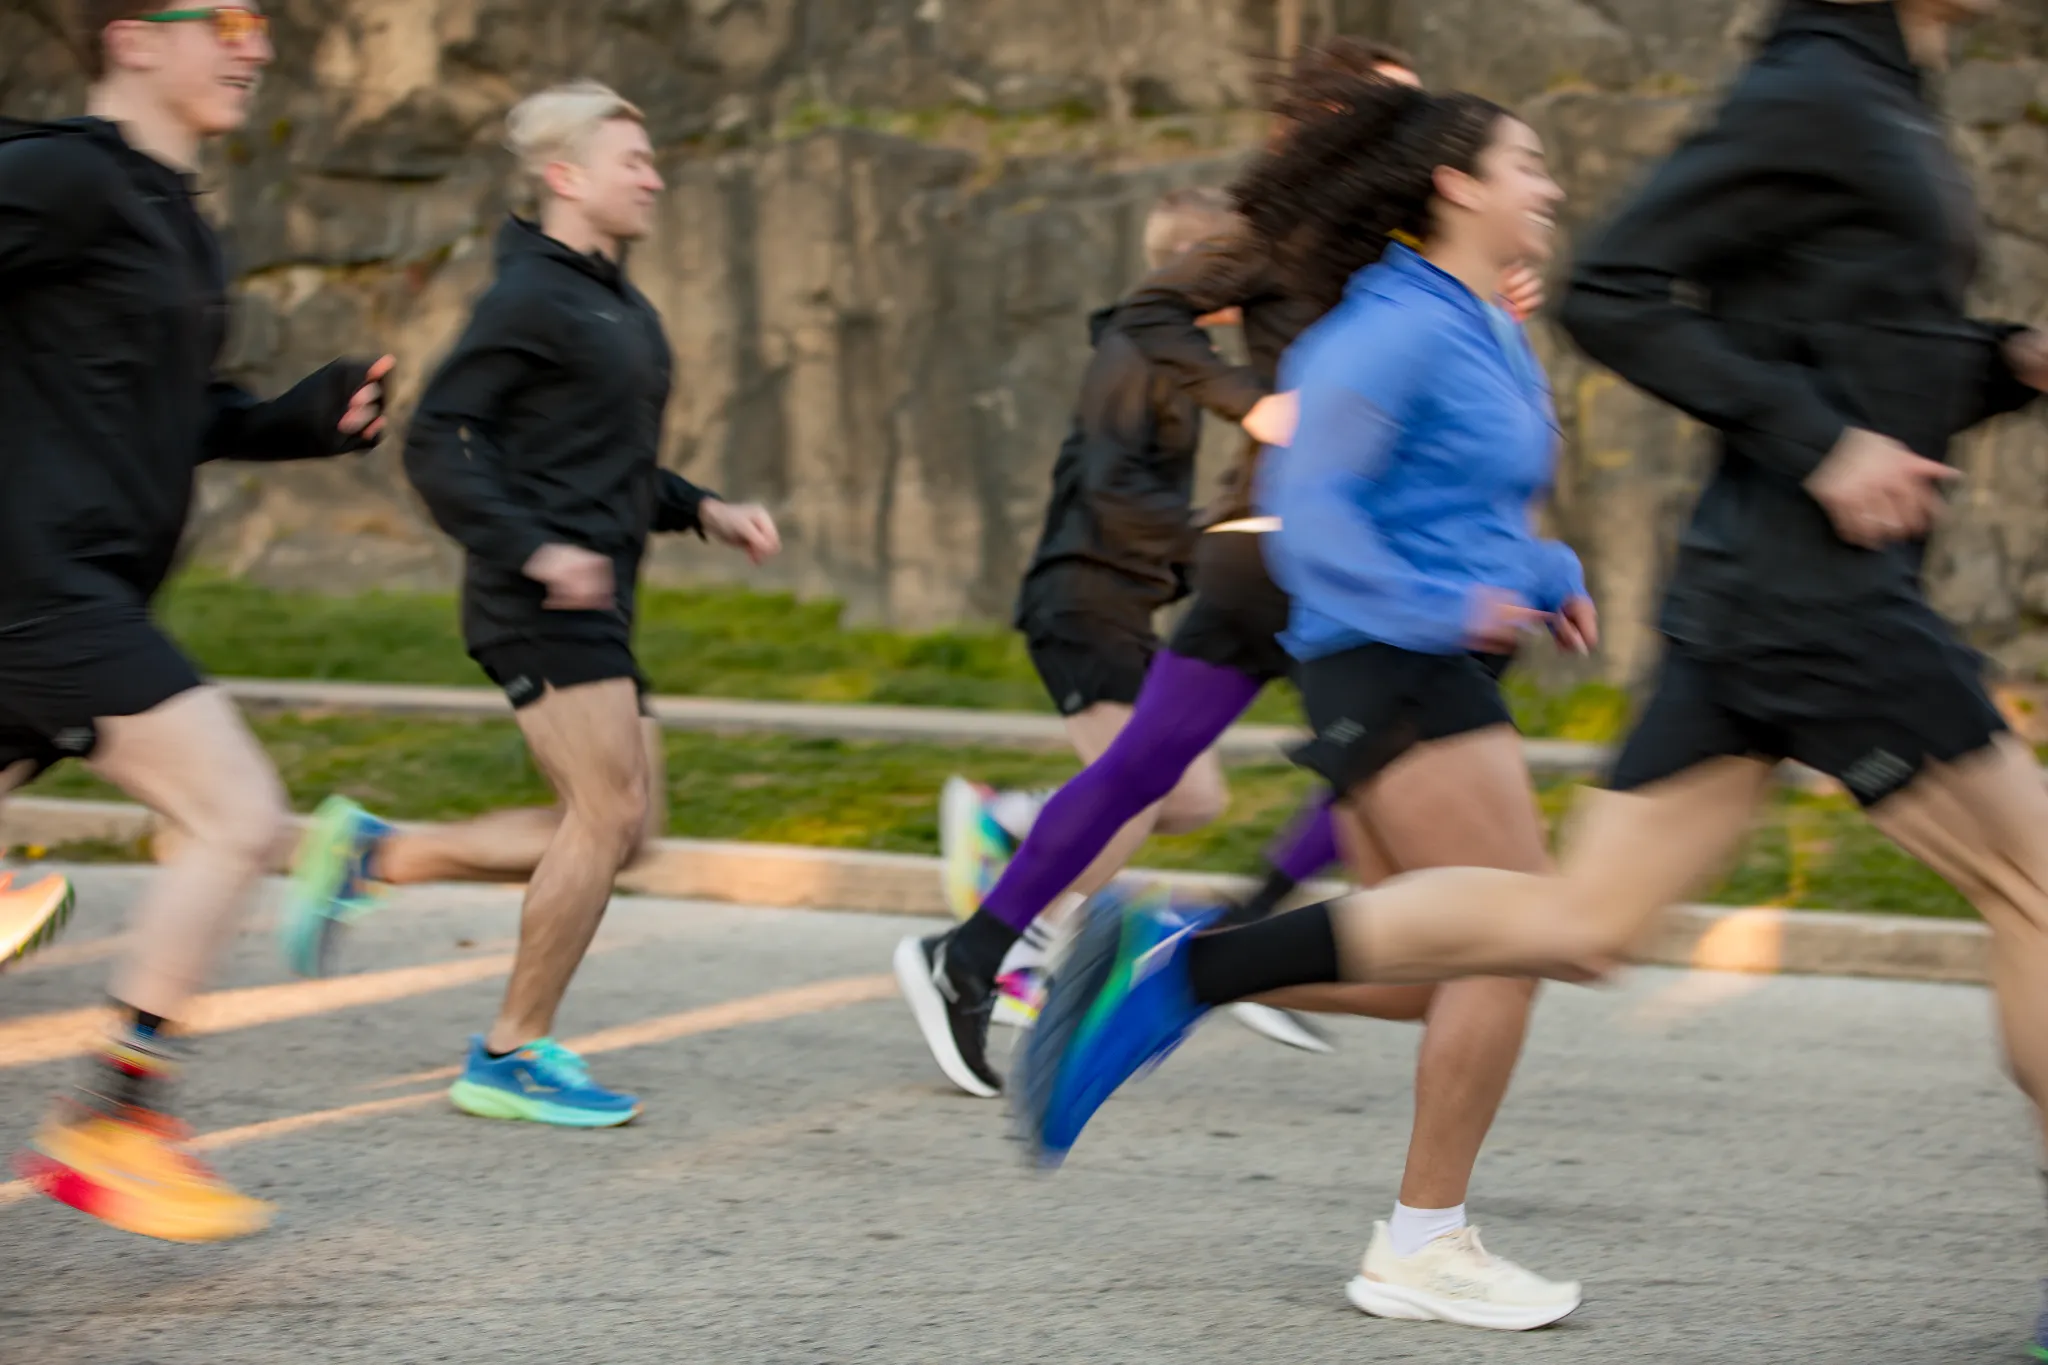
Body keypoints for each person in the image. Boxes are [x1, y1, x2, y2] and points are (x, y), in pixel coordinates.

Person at [1023, 0, 2048, 1348]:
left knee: (1561, 930)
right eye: (1529, 164)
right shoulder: (1397, 324)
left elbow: (1522, 488)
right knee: (1523, 934)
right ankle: (1412, 1225)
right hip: (1434, 647)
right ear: (1457, 184)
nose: (1553, 185)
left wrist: (2003, 367)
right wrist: (1454, 598)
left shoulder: (1480, 323)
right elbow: (1320, 510)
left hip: (1629, 619)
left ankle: (1187, 967)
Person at [281, 81, 780, 1128]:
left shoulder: (617, 304)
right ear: (565, 177)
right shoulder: (529, 298)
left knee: (625, 830)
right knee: (605, 815)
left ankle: (378, 856)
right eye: (630, 161)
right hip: (537, 598)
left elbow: (606, 465)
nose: (652, 177)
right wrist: (536, 551)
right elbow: (439, 442)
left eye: (651, 161)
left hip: (597, 594)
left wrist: (704, 510)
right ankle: (508, 1050)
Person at [3, 0, 394, 1242]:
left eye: (260, 21)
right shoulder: (63, 174)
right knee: (236, 809)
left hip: (89, 585)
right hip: (31, 582)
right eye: (221, 16)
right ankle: (116, 1115)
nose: (254, 42)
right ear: (131, 36)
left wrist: (293, 417)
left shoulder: (177, 220)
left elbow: (175, 410)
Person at [915, 187, 1336, 1054]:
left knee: (1193, 795)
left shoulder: (1176, 363)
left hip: (1126, 600)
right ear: (1195, 264)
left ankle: (1014, 820)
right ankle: (1012, 949)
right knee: (1134, 799)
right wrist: (1214, 547)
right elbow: (1114, 490)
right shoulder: (1134, 354)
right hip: (1084, 597)